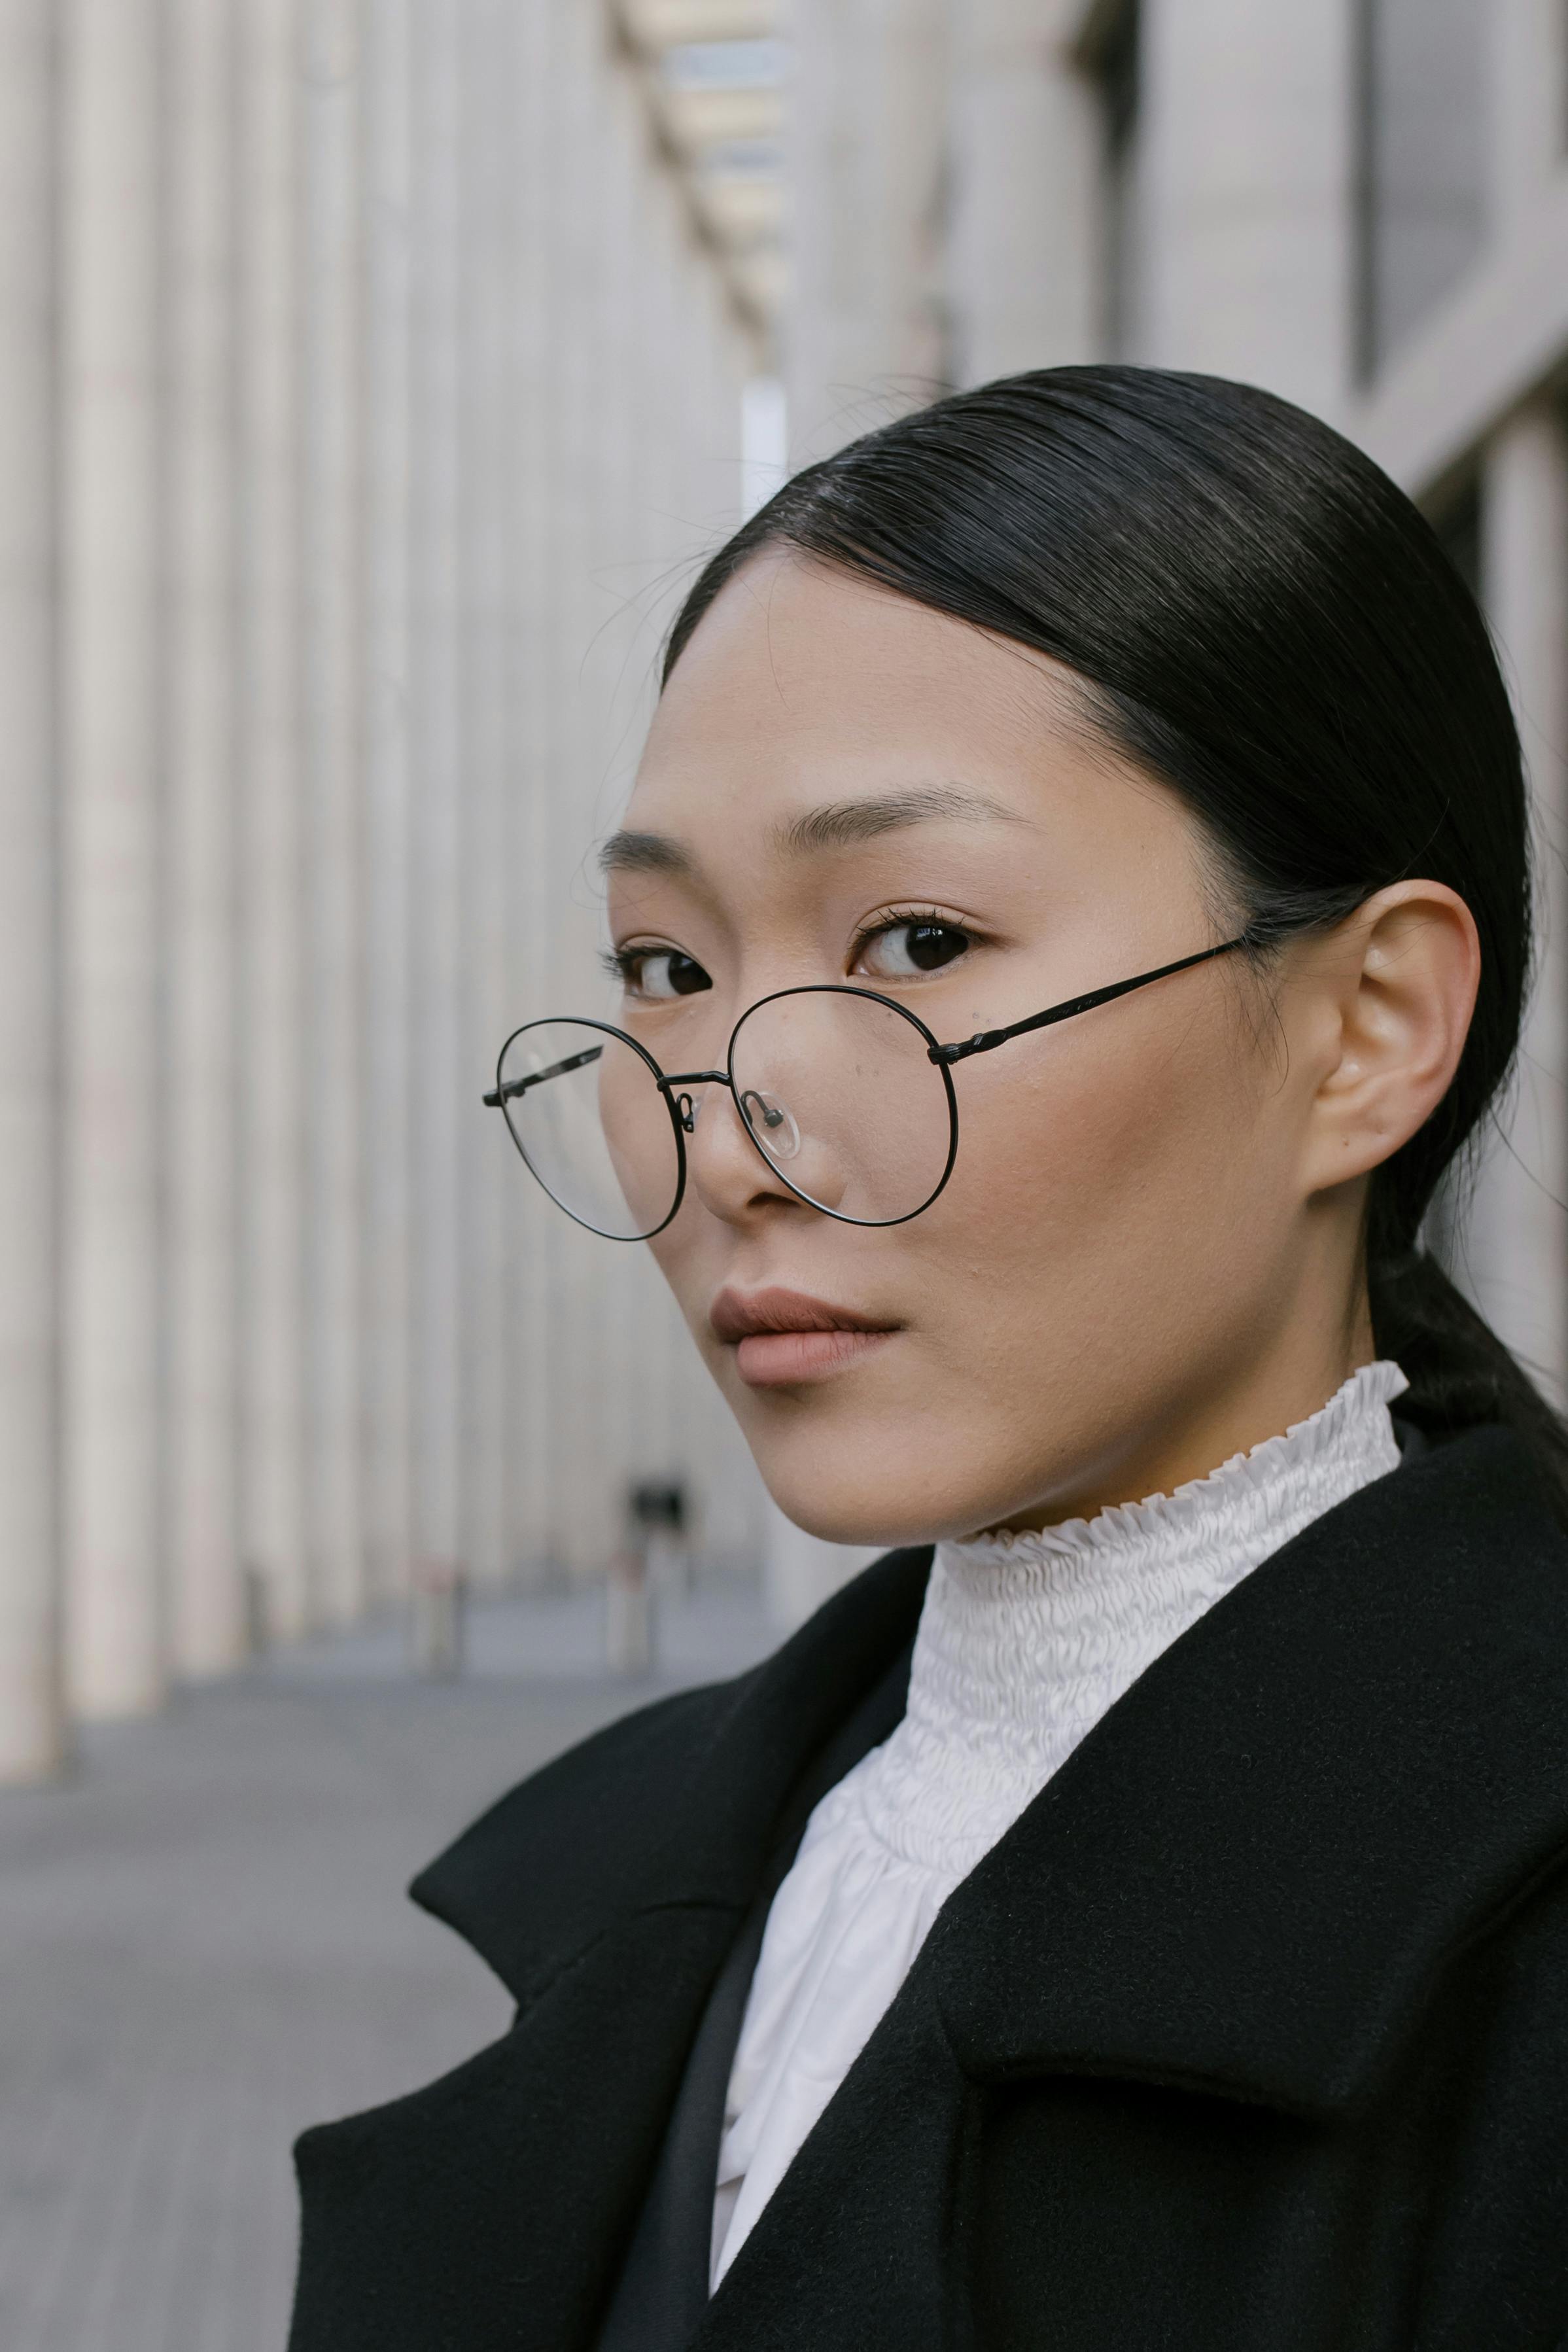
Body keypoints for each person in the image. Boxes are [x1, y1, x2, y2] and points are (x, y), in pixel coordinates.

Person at [287, 369, 1568, 2352]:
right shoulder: (699, 1860)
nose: (723, 1131)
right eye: (666, 966)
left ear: (1366, 1027)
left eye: (914, 943)